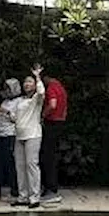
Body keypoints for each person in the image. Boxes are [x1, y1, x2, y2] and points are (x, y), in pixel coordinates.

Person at [9, 65, 46, 209]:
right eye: (25, 82)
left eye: (30, 82)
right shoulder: (20, 101)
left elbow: (42, 91)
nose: (27, 84)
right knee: (20, 166)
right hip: (19, 135)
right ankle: (23, 196)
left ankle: (34, 197)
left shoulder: (37, 99)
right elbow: (16, 117)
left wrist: (37, 76)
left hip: (33, 134)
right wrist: (10, 116)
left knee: (32, 165)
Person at [39, 69, 68, 205]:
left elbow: (52, 104)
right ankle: (51, 187)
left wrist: (43, 115)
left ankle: (50, 188)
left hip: (52, 123)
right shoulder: (61, 87)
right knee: (52, 155)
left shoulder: (51, 88)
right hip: (60, 122)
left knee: (47, 156)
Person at [0, 78, 22, 201]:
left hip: (11, 134)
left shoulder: (20, 102)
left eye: (8, 88)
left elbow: (18, 119)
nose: (6, 91)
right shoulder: (4, 102)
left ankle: (14, 190)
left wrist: (8, 112)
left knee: (10, 164)